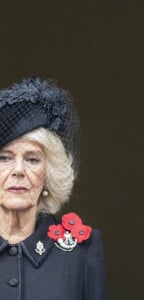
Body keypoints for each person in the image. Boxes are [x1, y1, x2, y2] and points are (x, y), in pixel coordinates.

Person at [0, 77, 109, 299]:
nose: (18, 170)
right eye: (4, 158)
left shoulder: (82, 252)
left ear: (49, 173)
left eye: (32, 159)